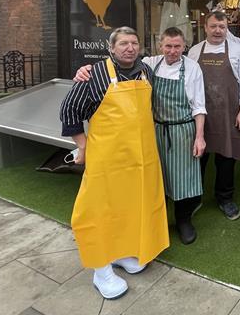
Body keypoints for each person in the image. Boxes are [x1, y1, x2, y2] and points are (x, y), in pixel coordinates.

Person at [60, 27, 169, 300]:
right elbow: (69, 110)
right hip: (106, 161)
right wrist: (83, 146)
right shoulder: (94, 74)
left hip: (141, 161)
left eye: (134, 42)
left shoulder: (146, 71)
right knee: (99, 211)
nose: (130, 47)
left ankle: (121, 253)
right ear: (111, 47)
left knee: (131, 207)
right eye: (123, 43)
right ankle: (101, 269)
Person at [73, 27, 207, 246]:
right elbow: (118, 68)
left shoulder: (192, 68)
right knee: (154, 179)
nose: (173, 51)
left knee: (184, 180)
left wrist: (199, 136)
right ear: (160, 46)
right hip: (152, 130)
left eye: (178, 46)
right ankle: (158, 222)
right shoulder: (149, 64)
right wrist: (85, 70)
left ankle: (184, 221)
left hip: (182, 130)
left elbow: (199, 106)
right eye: (168, 46)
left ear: (185, 47)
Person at [188, 11, 240, 221]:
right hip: (201, 115)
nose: (218, 30)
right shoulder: (195, 51)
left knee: (226, 158)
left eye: (222, 27)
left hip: (228, 114)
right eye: (214, 26)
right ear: (205, 27)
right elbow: (188, 83)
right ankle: (194, 197)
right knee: (198, 159)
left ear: (227, 29)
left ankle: (225, 198)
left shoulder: (238, 51)